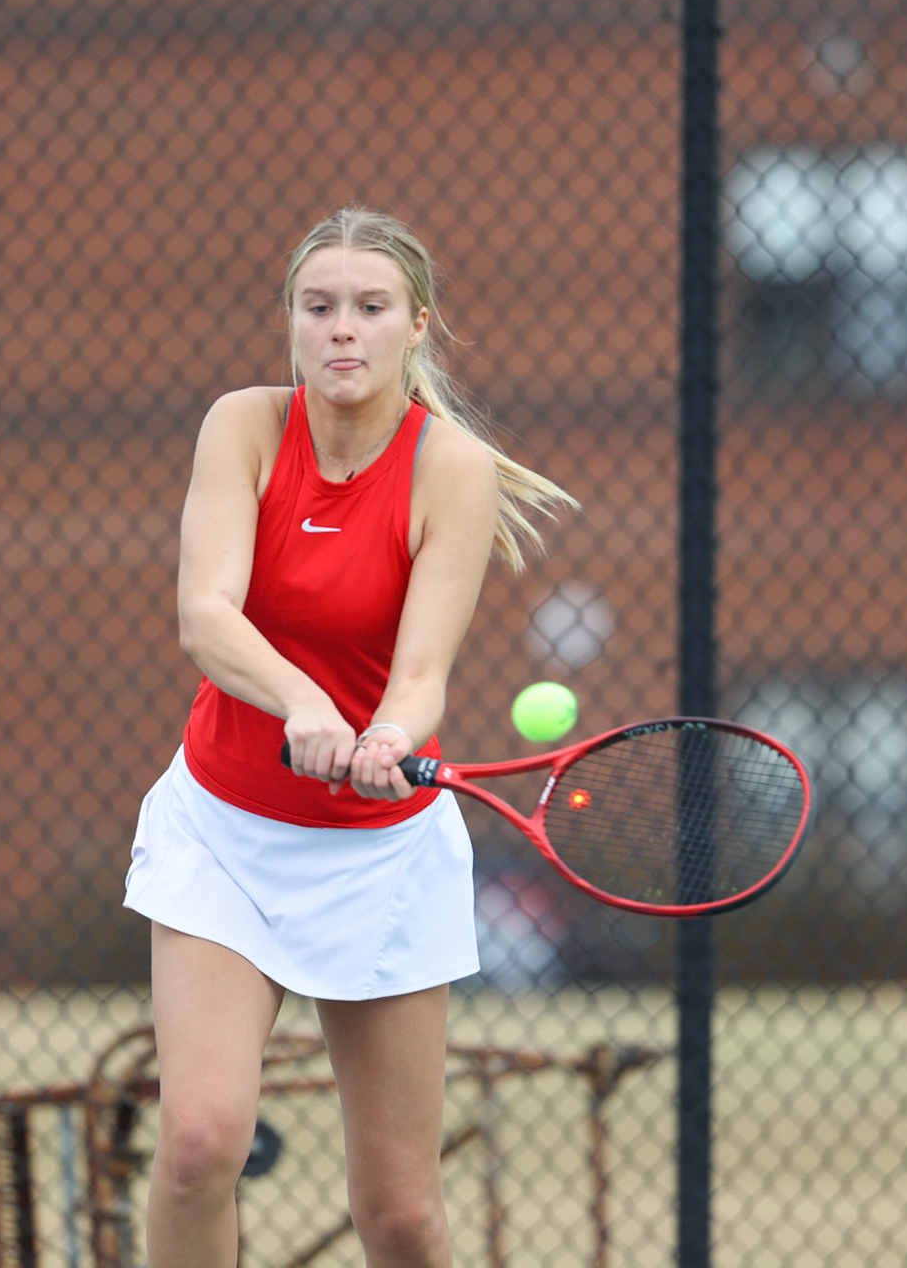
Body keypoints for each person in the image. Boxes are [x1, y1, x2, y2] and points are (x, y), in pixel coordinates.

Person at [123, 207, 575, 1268]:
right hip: (224, 831)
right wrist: (305, 704)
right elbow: (207, 616)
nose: (342, 330)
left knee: (404, 1212)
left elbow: (421, 677)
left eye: (370, 308)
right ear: (290, 322)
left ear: (417, 325)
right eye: (318, 307)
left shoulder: (450, 469)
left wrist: (384, 736)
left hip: (384, 850)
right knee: (197, 1144)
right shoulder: (239, 426)